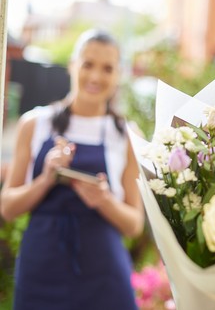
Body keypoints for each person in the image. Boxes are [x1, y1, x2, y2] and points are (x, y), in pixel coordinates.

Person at [0, 29, 144, 310]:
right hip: (41, 268)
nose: (95, 77)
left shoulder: (126, 135)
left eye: (107, 68)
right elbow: (7, 207)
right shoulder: (35, 124)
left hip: (103, 274)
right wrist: (45, 180)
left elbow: (134, 224)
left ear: (118, 75)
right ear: (72, 65)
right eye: (88, 64)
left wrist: (103, 200)